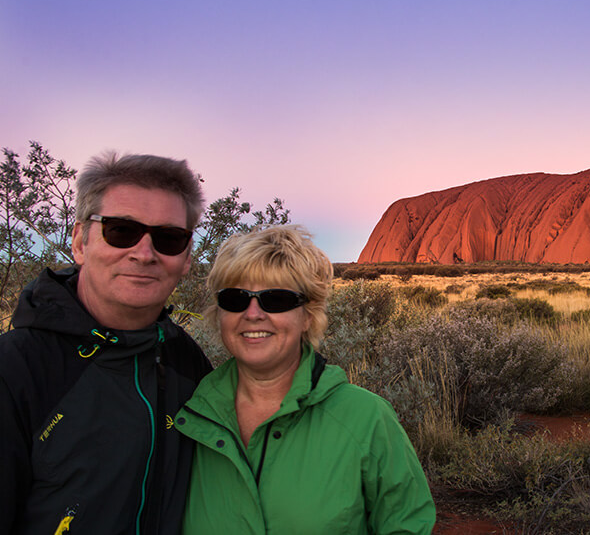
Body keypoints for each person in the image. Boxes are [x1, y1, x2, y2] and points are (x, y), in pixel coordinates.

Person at [0, 152, 212, 534]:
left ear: (186, 258)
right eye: (121, 231)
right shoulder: (15, 370)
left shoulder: (187, 363)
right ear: (80, 241)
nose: (144, 253)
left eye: (168, 239)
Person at [175, 225, 436, 534]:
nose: (253, 313)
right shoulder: (187, 417)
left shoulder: (366, 419)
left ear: (308, 315)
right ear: (220, 314)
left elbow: (406, 525)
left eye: (276, 299)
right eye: (236, 298)